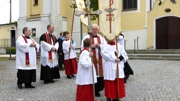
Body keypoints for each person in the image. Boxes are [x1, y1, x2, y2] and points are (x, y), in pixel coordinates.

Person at [81, 24, 107, 97]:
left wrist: (100, 46)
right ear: (90, 30)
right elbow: (82, 48)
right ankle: (91, 90)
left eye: (96, 29)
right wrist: (91, 46)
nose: (94, 30)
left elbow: (105, 47)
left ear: (98, 30)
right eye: (93, 29)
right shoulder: (86, 38)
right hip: (91, 60)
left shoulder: (101, 38)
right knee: (92, 74)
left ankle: (97, 90)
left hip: (100, 60)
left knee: (99, 75)